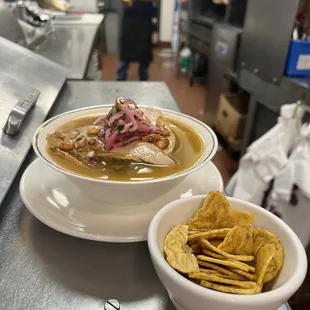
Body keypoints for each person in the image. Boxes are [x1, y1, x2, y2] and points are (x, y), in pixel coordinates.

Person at [117, 0, 157, 81]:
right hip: (130, 24)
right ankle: (121, 79)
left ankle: (143, 78)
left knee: (144, 56)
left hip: (144, 25)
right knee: (125, 57)